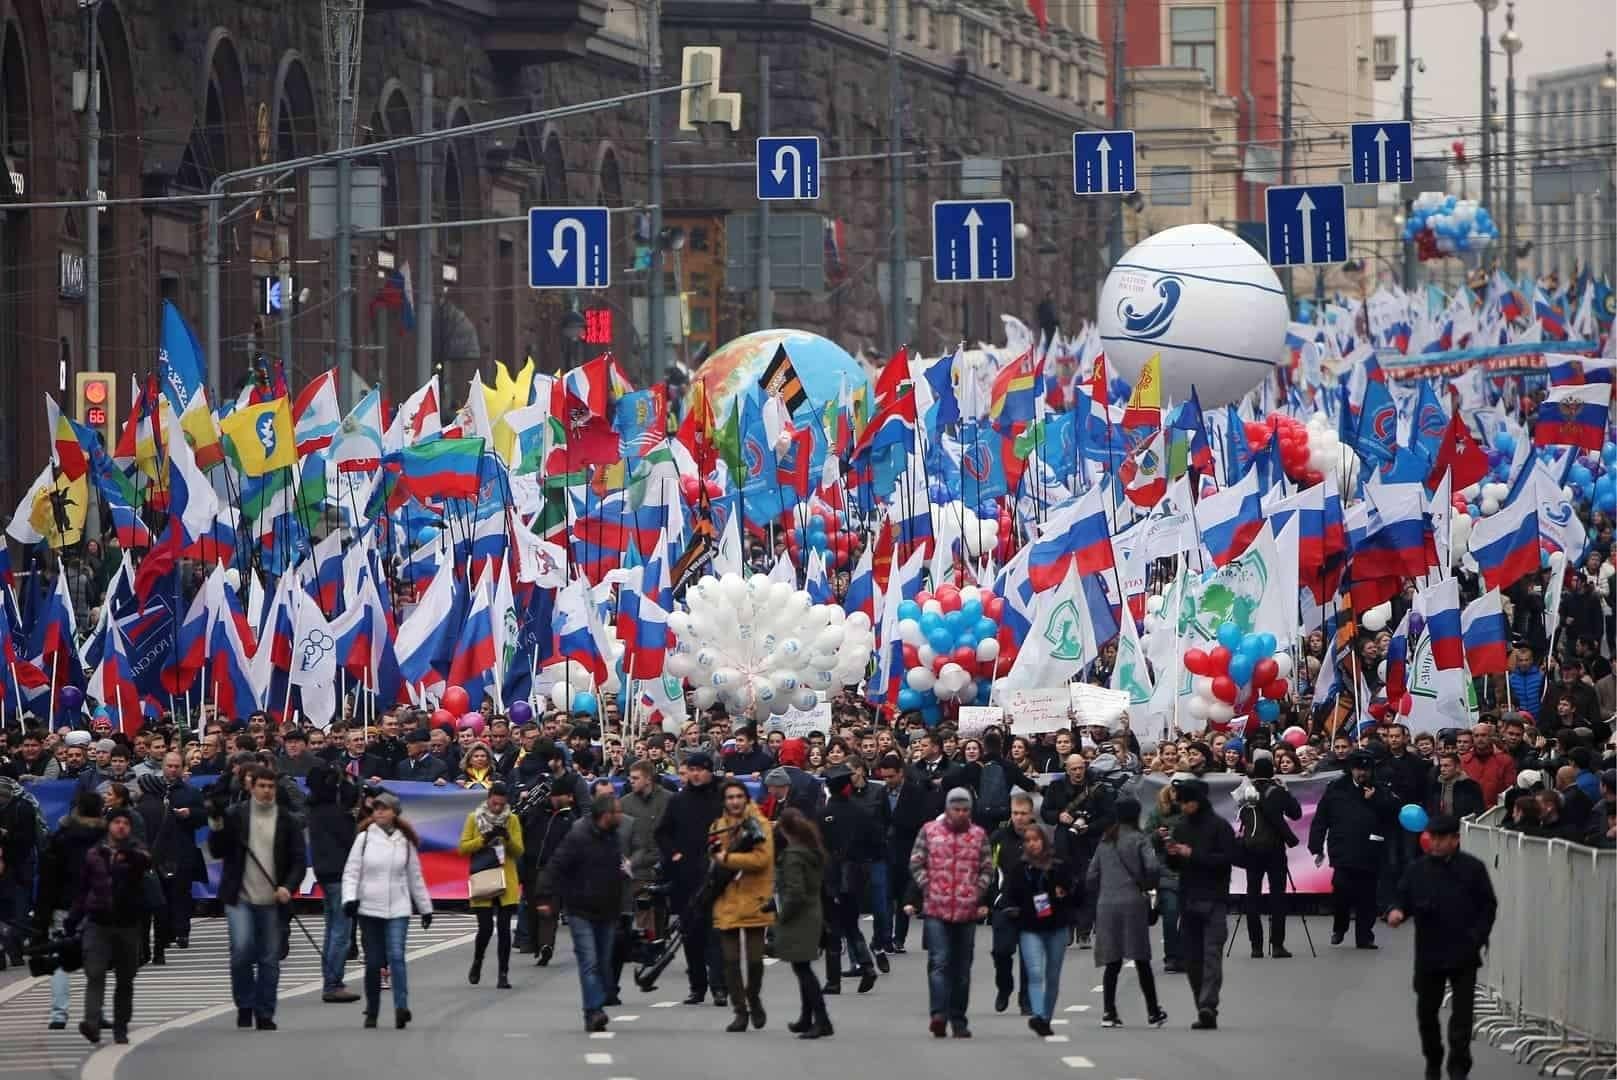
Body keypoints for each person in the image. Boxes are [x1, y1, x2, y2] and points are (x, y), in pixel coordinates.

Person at [1386, 813, 1497, 1080]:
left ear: (1455, 840)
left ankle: (1459, 1066)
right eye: (1432, 838)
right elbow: (1402, 896)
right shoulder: (1418, 869)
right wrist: (1397, 911)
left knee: (1462, 1016)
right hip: (1429, 951)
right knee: (1427, 1012)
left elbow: (1487, 906)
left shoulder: (1473, 868)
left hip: (1463, 951)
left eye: (1441, 839)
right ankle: (1433, 1058)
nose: (1435, 844)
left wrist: (1477, 937)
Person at [208, 764, 307, 1031]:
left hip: (273, 899)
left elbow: (298, 859)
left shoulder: (286, 820)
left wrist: (288, 886)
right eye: (261, 786)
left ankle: (265, 1012)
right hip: (240, 896)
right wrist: (216, 824)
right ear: (251, 788)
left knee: (269, 958)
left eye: (270, 786)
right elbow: (217, 851)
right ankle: (245, 1004)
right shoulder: (235, 815)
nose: (266, 791)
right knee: (241, 952)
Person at [536, 793, 632, 1032]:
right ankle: (593, 1010)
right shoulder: (579, 837)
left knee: (603, 962)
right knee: (589, 961)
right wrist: (544, 896)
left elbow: (617, 871)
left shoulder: (613, 838)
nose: (621, 816)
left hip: (608, 909)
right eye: (617, 812)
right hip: (580, 909)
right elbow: (556, 865)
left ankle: (597, 1002)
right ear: (606, 814)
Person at [340, 791, 432, 1030]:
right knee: (373, 962)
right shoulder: (364, 839)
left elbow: (415, 876)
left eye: (385, 808)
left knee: (396, 957)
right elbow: (351, 872)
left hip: (398, 907)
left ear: (395, 813)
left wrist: (425, 908)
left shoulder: (405, 841)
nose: (379, 812)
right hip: (369, 908)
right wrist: (350, 899)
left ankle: (401, 1007)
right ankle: (372, 1009)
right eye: (376, 808)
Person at [906, 787, 992, 1039]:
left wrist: (977, 892)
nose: (961, 814)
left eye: (965, 809)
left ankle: (959, 1019)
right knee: (939, 962)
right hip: (936, 909)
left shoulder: (978, 835)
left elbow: (987, 867)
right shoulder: (930, 831)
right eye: (956, 809)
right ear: (947, 809)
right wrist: (928, 886)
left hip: (966, 911)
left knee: (962, 969)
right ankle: (938, 1015)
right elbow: (916, 861)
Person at [1085, 795, 1167, 1030]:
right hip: (1133, 903)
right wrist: (1147, 885)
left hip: (1107, 904)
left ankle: (1109, 1012)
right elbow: (1152, 867)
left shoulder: (1105, 840)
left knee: (1113, 961)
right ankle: (1153, 1012)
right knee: (1141, 959)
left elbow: (1091, 875)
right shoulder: (1140, 839)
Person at [69, 805, 150, 1045]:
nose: (121, 826)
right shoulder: (95, 853)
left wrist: (128, 855)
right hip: (98, 922)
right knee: (95, 973)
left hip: (128, 923)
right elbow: (83, 889)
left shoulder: (137, 850)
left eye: (125, 823)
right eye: (117, 822)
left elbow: (146, 862)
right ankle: (91, 1022)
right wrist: (73, 919)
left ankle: (121, 1027)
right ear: (109, 826)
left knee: (125, 979)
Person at [653, 751, 727, 1006]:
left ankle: (719, 986)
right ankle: (697, 987)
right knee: (691, 935)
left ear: (709, 771)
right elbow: (661, 833)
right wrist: (674, 855)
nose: (695, 774)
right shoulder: (678, 801)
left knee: (715, 935)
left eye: (700, 769)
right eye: (691, 770)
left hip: (716, 876)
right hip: (685, 879)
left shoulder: (722, 798)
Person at [1163, 779, 1235, 1031]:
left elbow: (1227, 859)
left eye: (1187, 802)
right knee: (1193, 959)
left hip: (1214, 898)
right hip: (1189, 898)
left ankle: (1208, 1004)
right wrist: (1171, 854)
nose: (1183, 807)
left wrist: (1193, 855)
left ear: (1198, 801)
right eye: (1180, 803)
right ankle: (1201, 1007)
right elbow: (1175, 866)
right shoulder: (1181, 827)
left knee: (1212, 955)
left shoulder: (1219, 827)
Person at [1309, 750, 1399, 949]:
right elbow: (1321, 818)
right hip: (1343, 848)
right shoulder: (1336, 788)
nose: (1362, 774)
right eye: (1359, 769)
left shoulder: (1380, 789)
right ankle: (1339, 927)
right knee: (1342, 889)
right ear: (1351, 769)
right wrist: (1316, 845)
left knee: (1367, 896)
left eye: (1366, 769)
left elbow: (1394, 813)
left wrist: (1375, 800)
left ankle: (1364, 936)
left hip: (1370, 849)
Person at [708, 780, 776, 1032]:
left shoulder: (760, 824)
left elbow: (761, 859)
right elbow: (712, 860)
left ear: (746, 798)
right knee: (730, 960)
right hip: (726, 898)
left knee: (755, 960)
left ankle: (753, 997)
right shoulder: (718, 826)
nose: (734, 801)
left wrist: (727, 858)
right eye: (729, 797)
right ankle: (740, 1011)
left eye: (739, 796)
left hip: (755, 899)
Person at [1003, 823, 1079, 1037]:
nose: (1032, 844)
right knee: (1035, 973)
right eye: (1028, 841)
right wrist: (1012, 909)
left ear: (1045, 841)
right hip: (1030, 927)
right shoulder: (1020, 868)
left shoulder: (1059, 865)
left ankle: (1045, 1018)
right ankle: (1037, 1013)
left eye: (1036, 840)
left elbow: (1077, 892)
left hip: (1057, 927)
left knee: (1052, 976)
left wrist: (1066, 892)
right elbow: (1009, 895)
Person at [131, 759, 205, 964]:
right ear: (163, 768)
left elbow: (203, 816)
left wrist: (190, 814)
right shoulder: (151, 796)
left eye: (176, 766)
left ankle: (180, 931)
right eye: (169, 766)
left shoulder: (190, 792)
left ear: (182, 769)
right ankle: (163, 940)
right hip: (158, 854)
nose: (173, 770)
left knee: (179, 893)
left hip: (180, 850)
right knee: (160, 898)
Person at [774, 808, 834, 1040]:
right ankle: (807, 1017)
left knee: (803, 970)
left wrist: (783, 916)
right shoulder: (811, 851)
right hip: (812, 913)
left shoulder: (793, 856)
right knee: (803, 968)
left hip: (799, 918)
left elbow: (794, 892)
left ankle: (821, 1019)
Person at [819, 764, 878, 995]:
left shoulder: (822, 815)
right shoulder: (861, 812)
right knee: (851, 923)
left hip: (832, 876)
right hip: (856, 875)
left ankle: (833, 980)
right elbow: (876, 841)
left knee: (833, 928)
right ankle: (866, 965)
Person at [305, 764, 361, 1003]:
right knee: (341, 932)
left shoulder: (313, 809)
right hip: (340, 874)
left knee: (331, 929)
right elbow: (351, 839)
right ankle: (333, 982)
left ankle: (330, 978)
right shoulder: (335, 813)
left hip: (324, 873)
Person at [459, 782, 523, 989]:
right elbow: (463, 848)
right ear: (489, 799)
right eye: (494, 804)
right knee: (485, 928)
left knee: (504, 930)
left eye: (501, 805)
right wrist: (483, 839)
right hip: (484, 876)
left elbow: (519, 850)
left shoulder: (512, 819)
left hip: (506, 879)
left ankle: (503, 973)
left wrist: (506, 838)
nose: (497, 808)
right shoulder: (473, 818)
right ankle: (477, 961)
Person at [1239, 758, 1302, 959]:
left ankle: (1256, 946)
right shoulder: (1277, 791)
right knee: (1277, 897)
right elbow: (1296, 814)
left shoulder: (1244, 792)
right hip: (1275, 850)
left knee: (1252, 897)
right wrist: (1286, 791)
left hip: (1252, 850)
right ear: (1272, 771)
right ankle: (1277, 945)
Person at [988, 793, 1037, 1015]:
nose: (1018, 818)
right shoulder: (998, 837)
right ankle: (1004, 987)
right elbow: (987, 870)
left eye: (1023, 814)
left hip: (1031, 908)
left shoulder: (1040, 837)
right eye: (1015, 813)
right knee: (1001, 952)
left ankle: (1026, 1000)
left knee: (1029, 957)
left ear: (1031, 814)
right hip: (1003, 906)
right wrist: (991, 900)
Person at [520, 779, 578, 967]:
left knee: (549, 909)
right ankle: (536, 943)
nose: (568, 799)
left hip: (554, 869)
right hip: (531, 866)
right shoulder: (536, 811)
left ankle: (546, 945)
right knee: (533, 907)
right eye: (564, 796)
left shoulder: (570, 818)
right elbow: (521, 824)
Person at [876, 752, 930, 954]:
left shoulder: (915, 793)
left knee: (904, 897)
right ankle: (885, 937)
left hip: (909, 851)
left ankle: (899, 938)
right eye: (884, 777)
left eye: (891, 776)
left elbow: (921, 821)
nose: (888, 781)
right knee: (886, 896)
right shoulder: (881, 794)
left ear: (900, 773)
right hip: (887, 852)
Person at [1426, 751, 1486, 821]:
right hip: (1437, 828)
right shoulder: (1435, 785)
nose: (1442, 769)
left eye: (1446, 766)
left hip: (1461, 828)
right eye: (1441, 766)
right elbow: (1430, 808)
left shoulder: (1471, 786)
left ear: (1457, 767)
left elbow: (1478, 812)